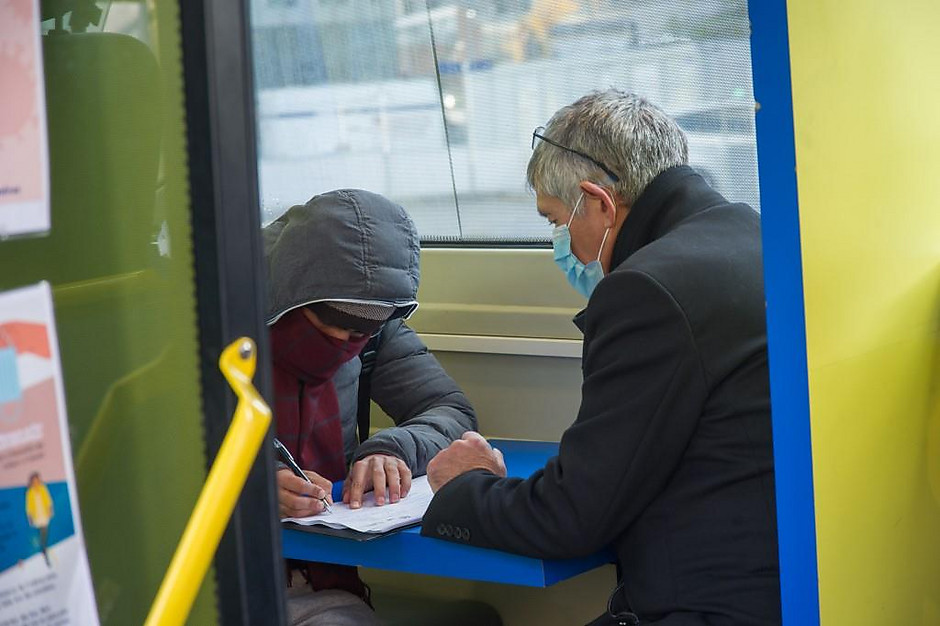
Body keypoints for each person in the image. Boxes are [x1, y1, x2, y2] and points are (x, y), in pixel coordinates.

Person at [421, 90, 781, 625]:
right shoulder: (758, 237)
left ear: (599, 202)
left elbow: (572, 516)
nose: (561, 246)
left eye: (554, 222)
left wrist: (463, 489)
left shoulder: (646, 291)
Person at [264, 189, 501, 626]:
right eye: (334, 323)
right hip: (214, 578)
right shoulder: (210, 319)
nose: (347, 342)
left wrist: (391, 449)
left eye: (364, 329)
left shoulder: (374, 327)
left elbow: (449, 410)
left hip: (320, 585)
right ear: (292, 297)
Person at [25, 471, 54, 567]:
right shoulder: (29, 492)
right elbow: (28, 505)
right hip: (36, 514)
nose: (36, 482)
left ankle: (43, 547)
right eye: (34, 481)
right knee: (41, 531)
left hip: (44, 512)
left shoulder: (43, 488)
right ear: (32, 482)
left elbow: (48, 499)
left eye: (37, 480)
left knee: (44, 530)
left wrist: (50, 509)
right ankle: (43, 548)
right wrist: (30, 516)